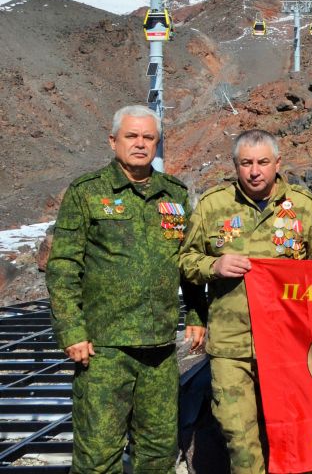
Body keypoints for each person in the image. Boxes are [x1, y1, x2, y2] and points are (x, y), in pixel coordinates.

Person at [46, 105, 205, 473]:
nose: (140, 144)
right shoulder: (88, 192)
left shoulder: (175, 194)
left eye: (148, 137)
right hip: (104, 350)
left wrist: (197, 313)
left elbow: (188, 260)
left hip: (160, 352)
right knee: (98, 456)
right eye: (131, 136)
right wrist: (71, 330)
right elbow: (64, 266)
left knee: (158, 453)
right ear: (113, 140)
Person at [180, 129, 312, 474]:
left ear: (278, 163)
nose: (254, 171)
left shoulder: (303, 207)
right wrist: (213, 265)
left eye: (263, 162)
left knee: (291, 431)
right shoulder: (213, 205)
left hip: (288, 344)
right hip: (232, 345)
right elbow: (184, 260)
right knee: (238, 433)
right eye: (246, 163)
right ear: (235, 165)